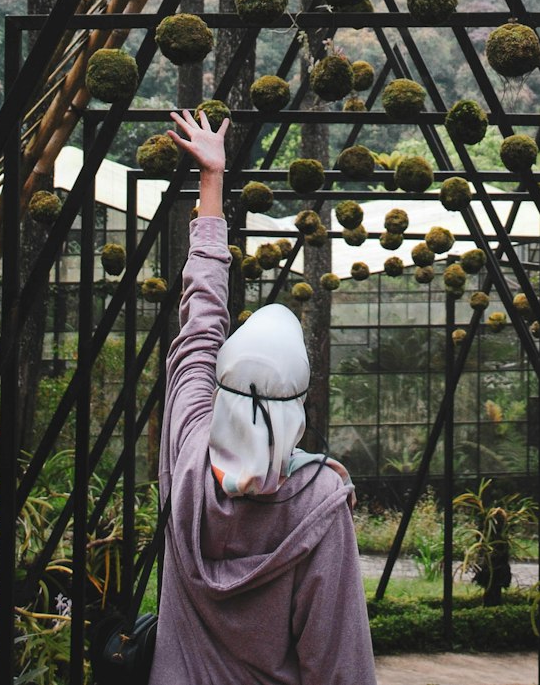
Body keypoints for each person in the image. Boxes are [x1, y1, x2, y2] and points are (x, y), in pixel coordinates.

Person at [147, 107, 376, 685]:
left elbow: (200, 319)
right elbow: (339, 662)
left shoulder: (189, 444)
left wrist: (212, 180)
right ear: (298, 404)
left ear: (219, 378)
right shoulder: (318, 503)